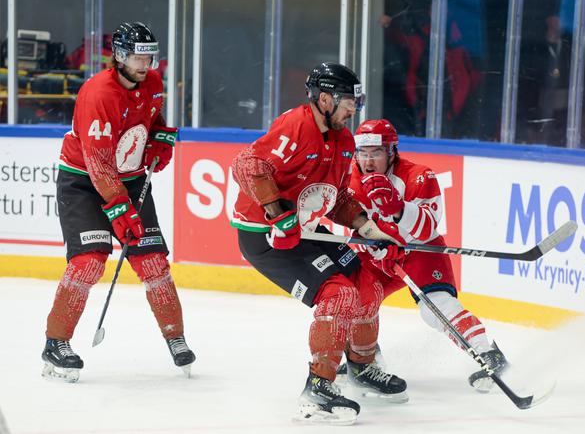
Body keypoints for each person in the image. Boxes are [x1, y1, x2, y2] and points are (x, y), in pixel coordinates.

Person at [230, 62, 407, 425]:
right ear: (324, 98)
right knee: (337, 294)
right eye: (348, 102)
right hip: (266, 235)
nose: (354, 109)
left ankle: (361, 365)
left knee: (366, 282)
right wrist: (278, 215)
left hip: (307, 230)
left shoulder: (343, 139)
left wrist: (368, 228)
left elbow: (337, 198)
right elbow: (246, 166)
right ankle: (317, 388)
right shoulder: (295, 125)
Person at [42, 22, 195, 383]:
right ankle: (56, 342)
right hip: (83, 181)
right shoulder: (98, 94)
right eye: (139, 57)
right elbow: (98, 164)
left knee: (155, 263)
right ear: (120, 56)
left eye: (149, 57)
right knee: (89, 262)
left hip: (129, 179)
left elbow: (152, 119)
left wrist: (160, 137)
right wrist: (119, 208)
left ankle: (176, 337)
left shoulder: (154, 84)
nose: (146, 65)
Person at [345, 118, 508, 393]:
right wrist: (374, 244)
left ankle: (490, 355)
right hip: (378, 257)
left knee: (436, 308)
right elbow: (348, 229)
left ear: (391, 151)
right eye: (363, 153)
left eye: (376, 153)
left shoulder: (420, 176)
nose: (368, 161)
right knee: (352, 299)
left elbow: (428, 228)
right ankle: (365, 360)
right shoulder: (349, 181)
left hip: (418, 252)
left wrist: (398, 209)